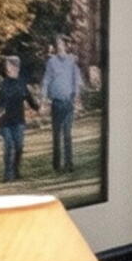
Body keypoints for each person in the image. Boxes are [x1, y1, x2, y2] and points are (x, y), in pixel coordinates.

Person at [41, 35, 86, 174]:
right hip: (56, 103)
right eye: (57, 44)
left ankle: (69, 163)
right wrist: (43, 99)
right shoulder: (51, 62)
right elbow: (46, 80)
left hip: (68, 102)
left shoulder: (72, 61)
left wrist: (77, 97)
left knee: (67, 134)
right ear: (55, 47)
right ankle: (57, 165)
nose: (59, 46)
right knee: (56, 134)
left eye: (61, 43)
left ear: (66, 46)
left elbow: (77, 79)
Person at [0, 53, 32, 182]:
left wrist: (37, 107)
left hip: (18, 120)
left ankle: (16, 170)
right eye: (7, 66)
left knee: (19, 146)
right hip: (5, 121)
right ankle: (7, 174)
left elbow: (29, 98)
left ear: (16, 67)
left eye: (10, 65)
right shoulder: (3, 84)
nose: (8, 68)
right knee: (9, 145)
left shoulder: (22, 84)